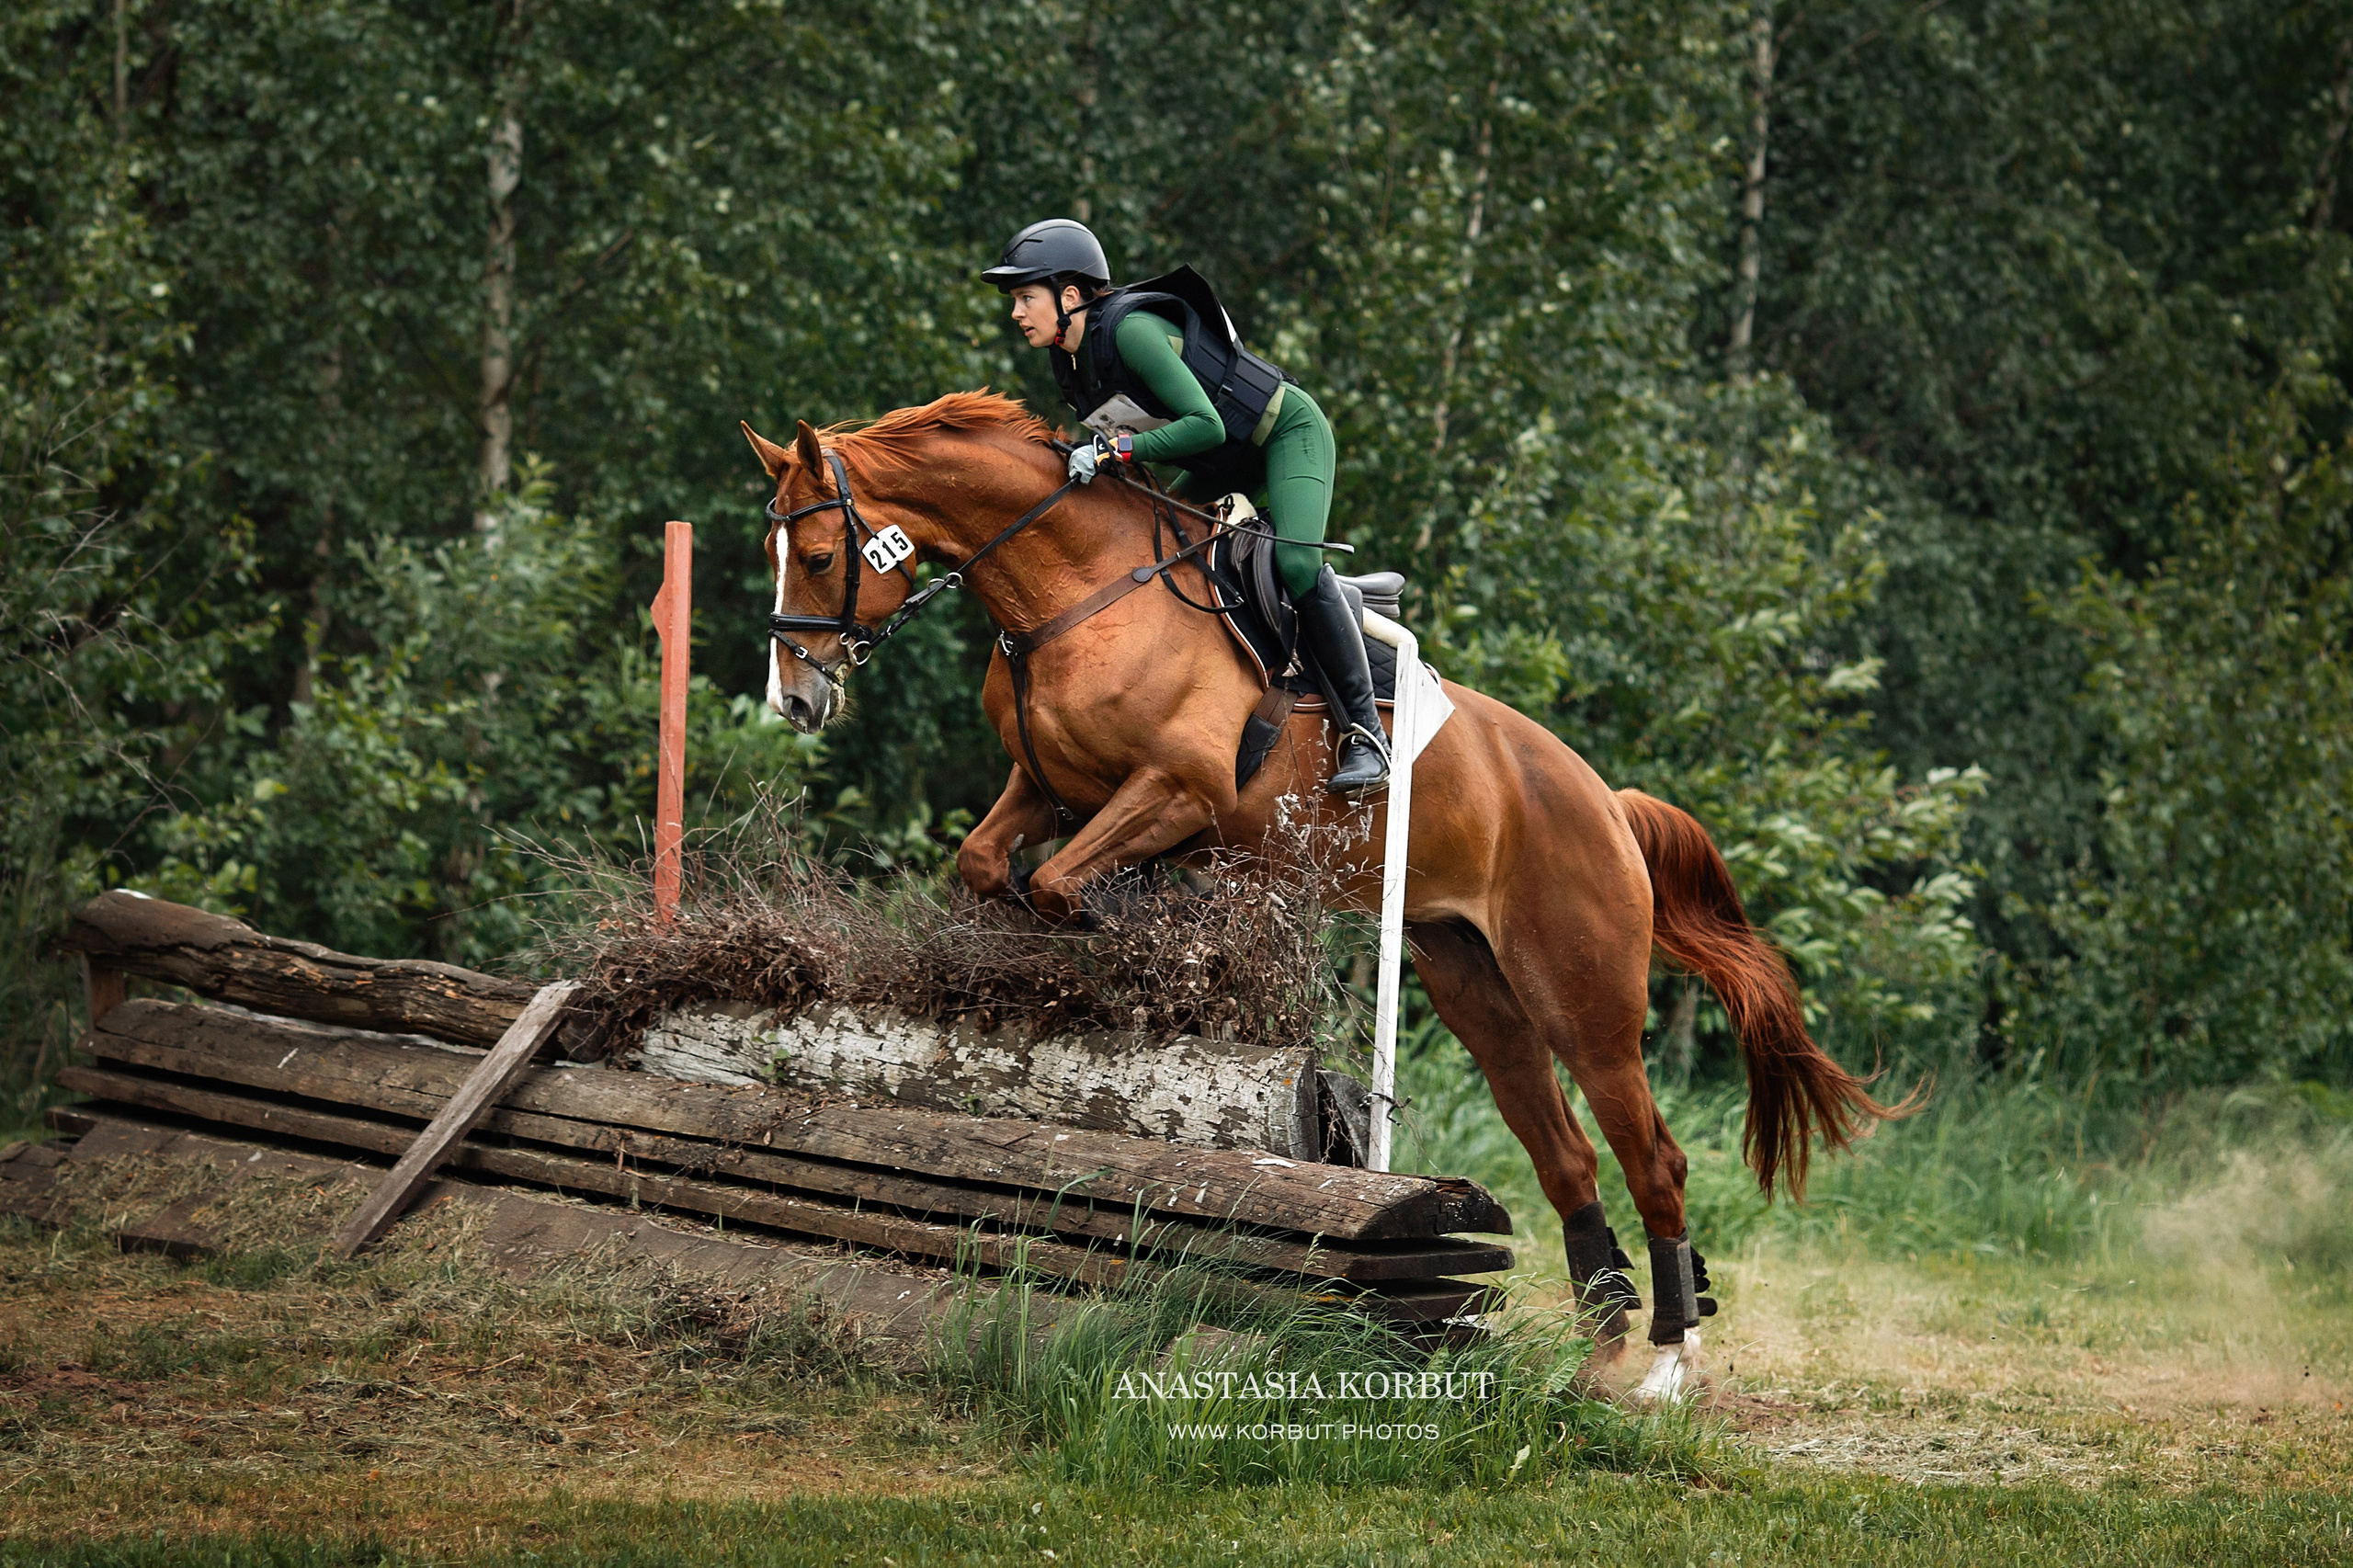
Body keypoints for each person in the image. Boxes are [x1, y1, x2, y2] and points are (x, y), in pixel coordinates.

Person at [981, 218, 1390, 796]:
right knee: (1156, 545)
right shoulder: (1071, 360)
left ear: (1069, 296)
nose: (1016, 313)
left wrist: (1113, 450)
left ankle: (1367, 736)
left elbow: (1205, 424)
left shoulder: (1130, 333)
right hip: (1220, 460)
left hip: (1281, 434)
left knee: (1296, 565)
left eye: (1026, 297)